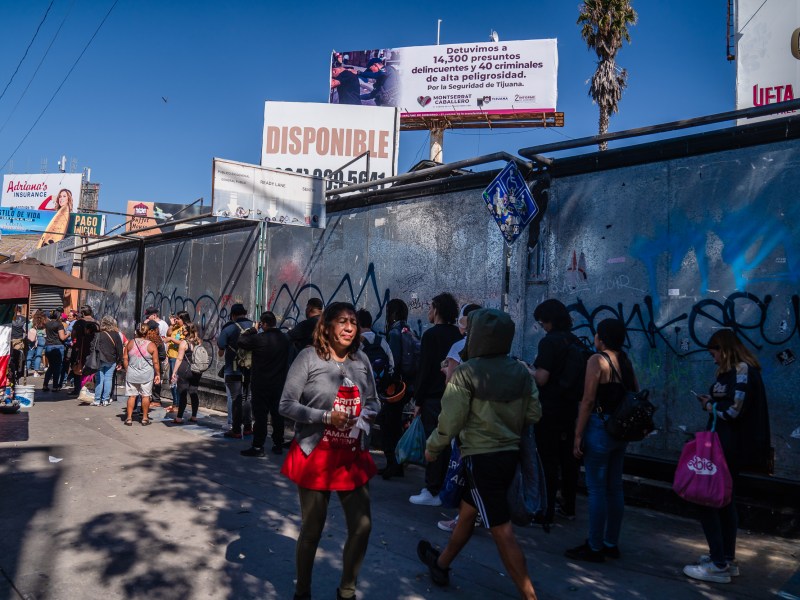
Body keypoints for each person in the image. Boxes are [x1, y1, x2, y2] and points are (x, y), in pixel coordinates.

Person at [416, 308, 541, 599]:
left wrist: (432, 447)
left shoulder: (465, 373)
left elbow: (450, 421)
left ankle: (530, 595)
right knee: (468, 512)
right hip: (509, 455)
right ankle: (442, 563)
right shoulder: (520, 371)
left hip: (481, 458)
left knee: (501, 529)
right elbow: (534, 413)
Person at [279, 302, 379, 600]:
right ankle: (303, 592)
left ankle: (346, 591)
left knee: (362, 527)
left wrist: (364, 418)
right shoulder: (308, 358)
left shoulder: (361, 359)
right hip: (316, 454)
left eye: (353, 322)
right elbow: (286, 405)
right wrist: (325, 417)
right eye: (342, 321)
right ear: (327, 326)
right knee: (312, 530)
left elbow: (374, 401)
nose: (350, 327)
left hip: (352, 455)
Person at [682, 329, 771, 584]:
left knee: (708, 500)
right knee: (723, 502)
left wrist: (710, 406)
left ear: (724, 349)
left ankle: (719, 563)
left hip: (729, 448)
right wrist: (713, 401)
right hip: (724, 446)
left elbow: (733, 411)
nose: (714, 360)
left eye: (714, 354)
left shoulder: (742, 371)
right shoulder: (735, 372)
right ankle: (724, 559)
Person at [566, 318, 639, 563]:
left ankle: (594, 545)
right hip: (620, 430)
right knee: (614, 487)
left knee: (596, 489)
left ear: (602, 338)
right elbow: (634, 394)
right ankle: (610, 542)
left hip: (599, 427)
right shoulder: (626, 361)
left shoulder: (597, 360)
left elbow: (587, 400)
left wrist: (578, 434)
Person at [531, 299, 582, 525]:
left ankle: (546, 509)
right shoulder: (574, 341)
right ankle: (568, 505)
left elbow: (542, 378)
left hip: (549, 409)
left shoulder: (548, 342)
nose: (542, 325)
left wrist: (527, 369)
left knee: (547, 461)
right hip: (570, 409)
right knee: (568, 460)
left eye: (543, 321)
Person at [409, 292, 462, 506]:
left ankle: (432, 489)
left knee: (434, 443)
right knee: (449, 445)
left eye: (430, 307)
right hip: (455, 398)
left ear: (437, 309)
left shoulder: (431, 336)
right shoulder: (459, 336)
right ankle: (446, 488)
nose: (428, 312)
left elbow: (425, 370)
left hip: (433, 398)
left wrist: (418, 400)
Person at [435, 302, 482, 533]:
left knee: (464, 472)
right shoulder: (497, 350)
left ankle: (463, 519)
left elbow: (451, 384)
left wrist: (446, 370)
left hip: (466, 420)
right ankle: (479, 515)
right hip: (494, 426)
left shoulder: (460, 347)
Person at [238, 311, 291, 456]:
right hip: (279, 383)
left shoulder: (259, 338)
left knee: (260, 416)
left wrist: (253, 329)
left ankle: (257, 447)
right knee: (277, 415)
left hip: (261, 383)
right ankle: (278, 444)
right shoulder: (284, 339)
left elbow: (241, 340)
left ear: (263, 324)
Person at [379, 299, 415, 481]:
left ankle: (392, 464)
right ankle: (396, 463)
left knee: (388, 423)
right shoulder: (408, 330)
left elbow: (393, 361)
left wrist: (387, 383)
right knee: (394, 423)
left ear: (391, 313)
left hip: (396, 387)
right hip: (407, 385)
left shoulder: (394, 332)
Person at [217, 303, 254, 438]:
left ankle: (236, 429)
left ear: (233, 315)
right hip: (250, 368)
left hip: (233, 369)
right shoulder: (254, 326)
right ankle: (249, 427)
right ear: (245, 312)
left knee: (236, 398)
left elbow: (221, 346)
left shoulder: (229, 327)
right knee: (247, 398)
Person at [123, 323, 161, 426]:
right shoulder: (151, 345)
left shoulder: (130, 343)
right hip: (146, 374)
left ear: (137, 332)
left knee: (132, 396)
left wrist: (127, 368)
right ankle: (144, 418)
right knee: (145, 396)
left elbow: (125, 358)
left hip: (132, 373)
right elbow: (156, 362)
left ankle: (129, 418)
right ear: (147, 332)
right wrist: (158, 374)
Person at [170, 322, 203, 424]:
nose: (182, 331)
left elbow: (179, 359)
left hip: (185, 370)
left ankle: (179, 418)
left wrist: (174, 372)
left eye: (184, 329)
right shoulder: (198, 341)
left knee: (183, 393)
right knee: (193, 392)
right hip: (197, 370)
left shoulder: (184, 343)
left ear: (187, 331)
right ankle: (194, 416)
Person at [91, 316, 124, 406]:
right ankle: (106, 399)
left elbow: (92, 346)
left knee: (99, 380)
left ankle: (97, 400)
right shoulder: (116, 334)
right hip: (111, 360)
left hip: (99, 359)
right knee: (108, 379)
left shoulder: (99, 334)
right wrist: (120, 361)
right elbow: (119, 348)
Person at [70, 306, 99, 395]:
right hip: (93, 349)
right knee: (91, 368)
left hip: (80, 348)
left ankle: (78, 389)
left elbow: (73, 334)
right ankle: (89, 388)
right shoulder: (97, 322)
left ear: (82, 313)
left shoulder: (79, 322)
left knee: (77, 368)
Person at [166, 312, 191, 412]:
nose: (176, 320)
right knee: (172, 382)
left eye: (178, 319)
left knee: (175, 382)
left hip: (178, 357)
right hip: (172, 356)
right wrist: (172, 325)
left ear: (183, 319)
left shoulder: (185, 329)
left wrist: (171, 339)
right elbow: (168, 333)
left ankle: (177, 405)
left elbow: (184, 342)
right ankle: (175, 403)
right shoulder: (176, 327)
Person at [42, 310, 68, 392]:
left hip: (48, 346)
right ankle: (55, 386)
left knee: (51, 367)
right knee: (57, 367)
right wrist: (69, 334)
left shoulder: (47, 324)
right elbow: (62, 337)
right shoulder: (59, 324)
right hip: (57, 346)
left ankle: (45, 384)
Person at [26, 310, 47, 376]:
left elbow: (28, 329)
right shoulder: (45, 321)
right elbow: (45, 331)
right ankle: (36, 372)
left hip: (33, 339)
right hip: (41, 338)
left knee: (29, 355)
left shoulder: (32, 321)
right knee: (38, 355)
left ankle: (26, 371)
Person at [10, 306, 26, 379]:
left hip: (11, 339)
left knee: (11, 356)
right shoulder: (24, 319)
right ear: (20, 310)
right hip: (19, 339)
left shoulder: (11, 318)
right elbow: (26, 330)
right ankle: (18, 371)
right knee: (19, 357)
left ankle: (12, 371)